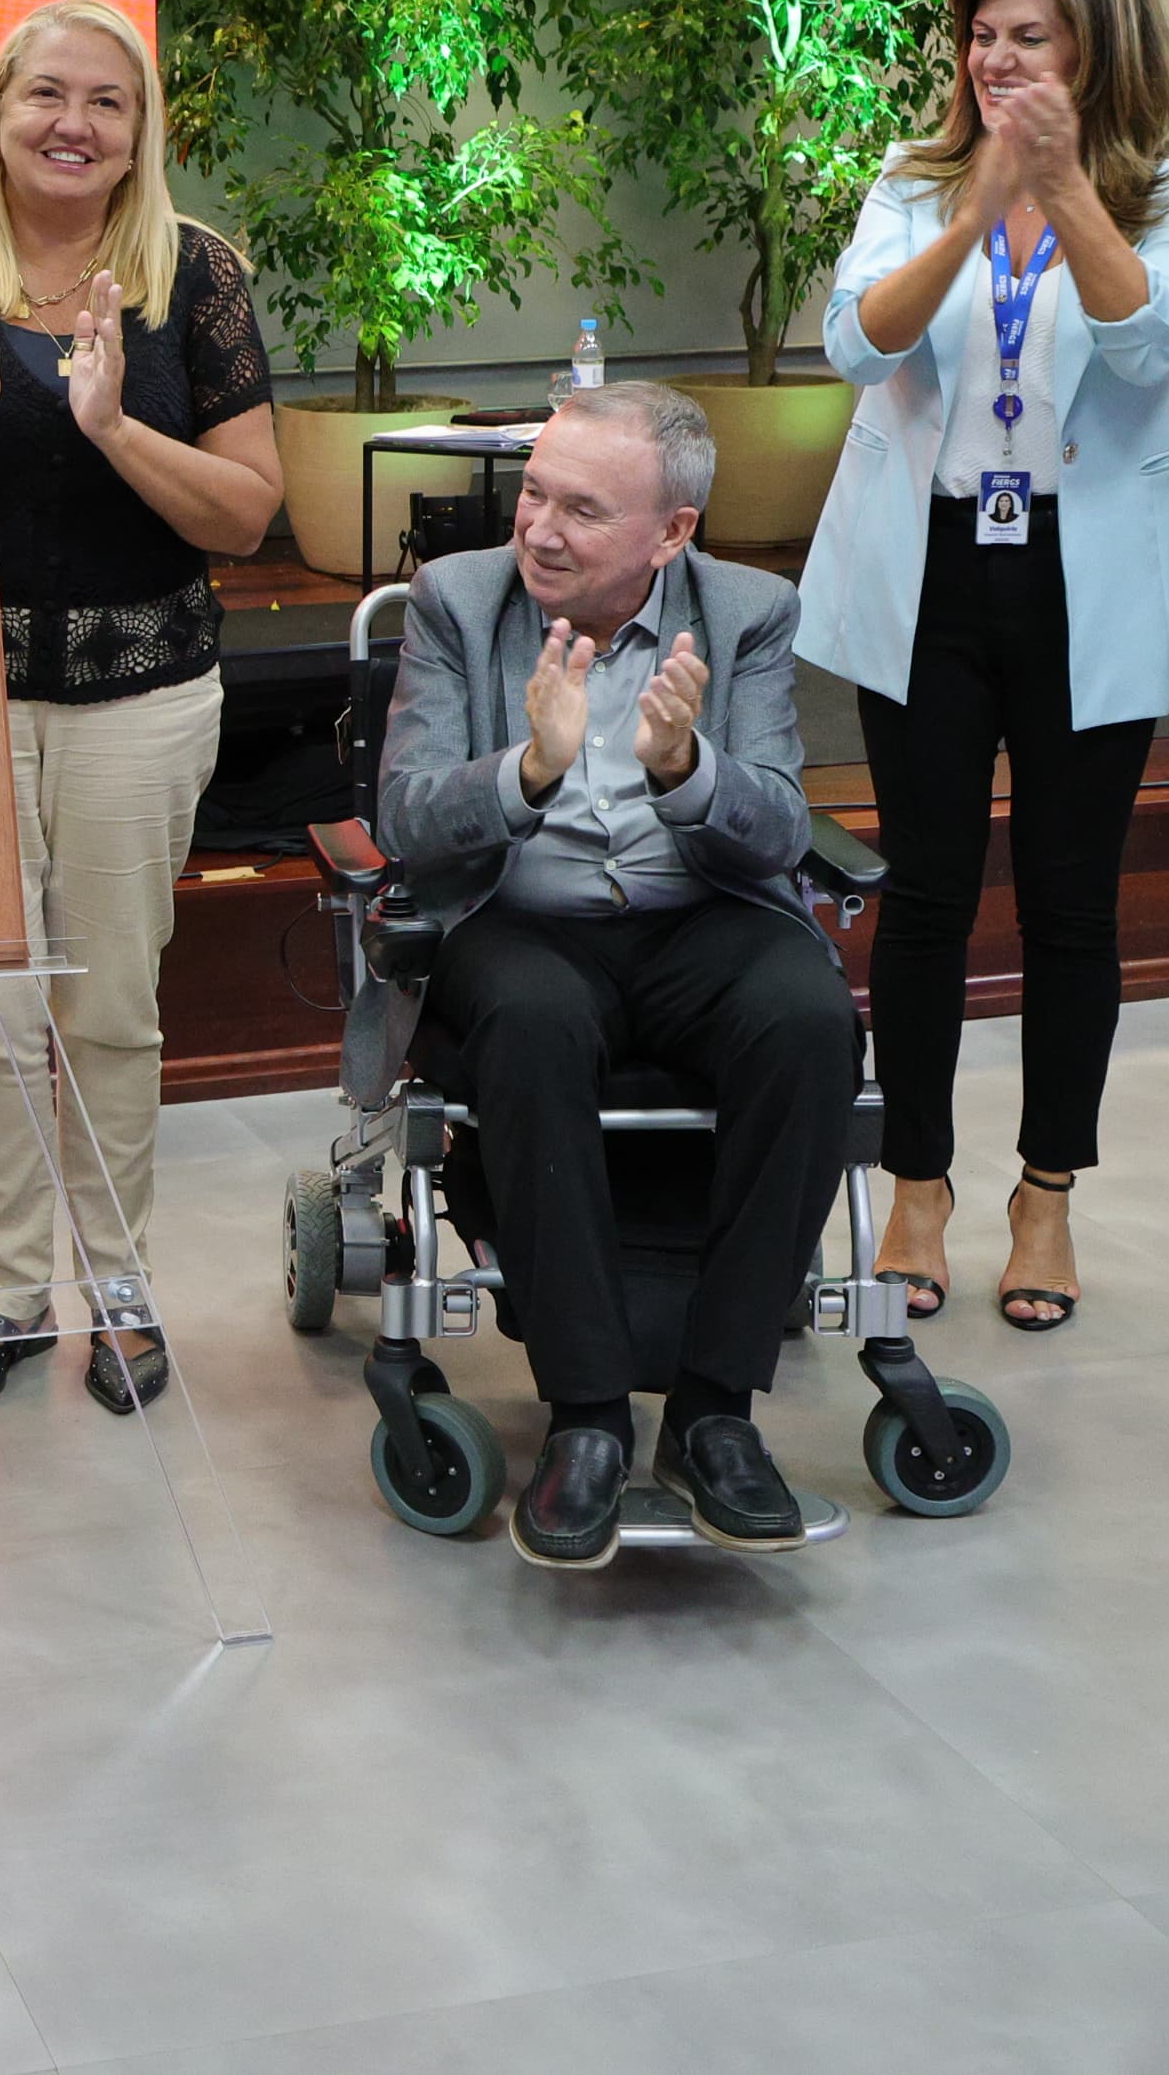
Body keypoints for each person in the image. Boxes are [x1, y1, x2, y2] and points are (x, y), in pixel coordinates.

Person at [0, 0, 279, 1420]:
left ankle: (119, 1290)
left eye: (106, 101)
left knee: (109, 1006)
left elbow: (248, 513)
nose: (72, 124)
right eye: (46, 95)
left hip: (139, 692)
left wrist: (113, 427)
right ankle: (12, 1288)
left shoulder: (193, 273)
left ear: (140, 132)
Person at [804, 0, 1169, 1335]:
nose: (995, 60)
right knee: (925, 892)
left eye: (1027, 37)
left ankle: (1045, 1194)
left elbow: (1153, 346)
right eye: (981, 37)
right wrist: (972, 211)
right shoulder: (911, 178)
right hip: (928, 570)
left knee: (1069, 900)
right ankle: (916, 1183)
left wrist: (1056, 191)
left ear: (1095, 52)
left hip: (1084, 577)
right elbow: (855, 346)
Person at [373, 384, 862, 1570]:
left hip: (698, 917)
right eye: (533, 493)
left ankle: (712, 1413)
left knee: (808, 1019)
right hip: (518, 920)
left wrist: (687, 769)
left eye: (581, 509)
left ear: (670, 531)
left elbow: (778, 828)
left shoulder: (745, 612)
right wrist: (527, 770)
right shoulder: (457, 600)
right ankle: (585, 1417)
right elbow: (405, 817)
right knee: (532, 1021)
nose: (537, 529)